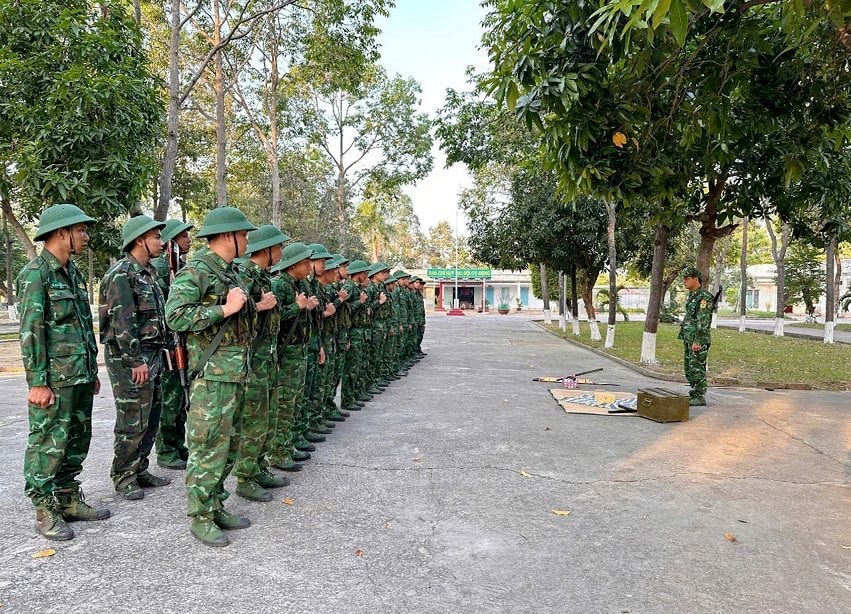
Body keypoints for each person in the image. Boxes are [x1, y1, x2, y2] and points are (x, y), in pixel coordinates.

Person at [165, 206, 265, 547]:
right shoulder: (197, 271)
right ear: (228, 236)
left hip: (238, 372)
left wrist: (250, 305)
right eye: (243, 234)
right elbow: (175, 316)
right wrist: (224, 309)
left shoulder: (231, 272)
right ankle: (200, 515)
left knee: (231, 444)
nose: (247, 240)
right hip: (212, 377)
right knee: (208, 446)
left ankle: (216, 502)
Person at [17, 204, 110, 541]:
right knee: (47, 445)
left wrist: (92, 369)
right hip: (54, 381)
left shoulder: (71, 273)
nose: (86, 236)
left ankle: (69, 499)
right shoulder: (36, 274)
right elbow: (31, 332)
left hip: (79, 375)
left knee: (76, 441)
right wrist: (38, 381)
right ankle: (44, 509)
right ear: (61, 233)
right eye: (81, 230)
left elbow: (83, 326)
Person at [99, 215, 172, 501]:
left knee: (151, 415)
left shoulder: (148, 273)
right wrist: (135, 360)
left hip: (152, 353)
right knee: (133, 419)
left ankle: (140, 468)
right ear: (140, 240)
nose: (161, 242)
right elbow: (122, 322)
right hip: (131, 358)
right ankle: (124, 475)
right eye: (156, 237)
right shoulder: (122, 274)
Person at [233, 225, 289, 503]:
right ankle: (245, 477)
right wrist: (257, 307)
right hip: (251, 363)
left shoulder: (265, 277)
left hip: (268, 360)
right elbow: (234, 317)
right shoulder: (244, 276)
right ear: (266, 250)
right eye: (278, 247)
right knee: (253, 421)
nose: (281, 253)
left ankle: (259, 467)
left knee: (268, 419)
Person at [268, 242, 318, 471]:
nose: (309, 266)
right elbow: (273, 319)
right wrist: (297, 307)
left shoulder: (298, 284)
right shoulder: (279, 285)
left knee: (295, 401)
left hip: (298, 350)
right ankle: (278, 452)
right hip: (285, 353)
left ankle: (288, 445)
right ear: (293, 264)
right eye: (305, 262)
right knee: (284, 403)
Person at [152, 218, 194, 470]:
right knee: (170, 397)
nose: (188, 240)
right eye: (183, 236)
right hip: (168, 342)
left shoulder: (180, 264)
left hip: (181, 341)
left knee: (180, 396)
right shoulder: (161, 267)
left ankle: (178, 444)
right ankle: (166, 449)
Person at [678, 265, 714, 407]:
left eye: (687, 279)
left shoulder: (704, 297)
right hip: (689, 338)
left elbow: (703, 321)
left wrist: (698, 340)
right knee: (689, 367)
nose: (684, 282)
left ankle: (699, 395)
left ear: (695, 279)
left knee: (697, 367)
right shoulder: (693, 296)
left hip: (697, 339)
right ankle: (694, 392)